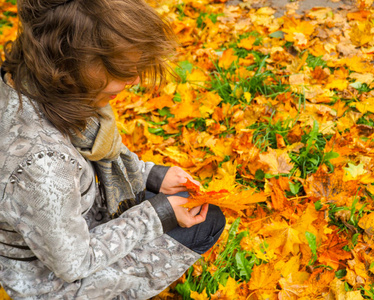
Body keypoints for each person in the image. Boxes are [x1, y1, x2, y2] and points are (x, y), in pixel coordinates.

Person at [0, 0, 226, 299]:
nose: (133, 78)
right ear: (68, 64)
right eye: (118, 68)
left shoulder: (34, 80)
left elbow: (86, 157)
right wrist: (157, 216)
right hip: (50, 283)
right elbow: (74, 263)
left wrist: (151, 176)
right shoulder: (43, 165)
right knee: (205, 222)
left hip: (62, 223)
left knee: (182, 201)